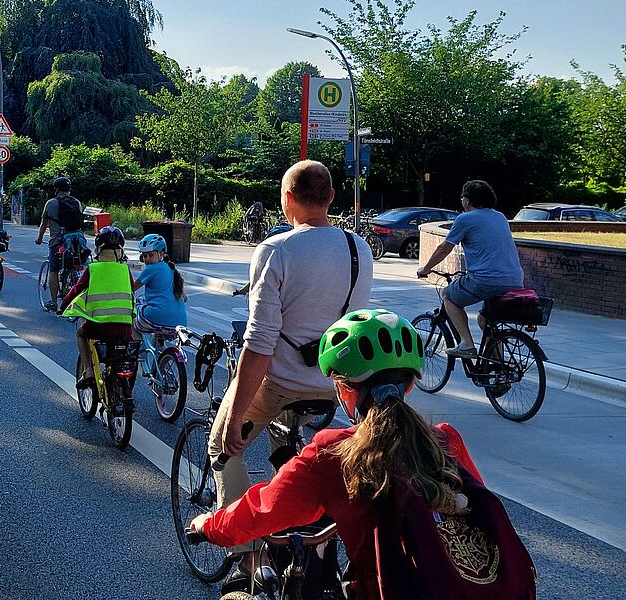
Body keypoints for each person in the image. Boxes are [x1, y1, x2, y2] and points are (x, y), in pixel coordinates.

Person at [191, 309, 533, 599]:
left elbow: (262, 510)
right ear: (410, 384)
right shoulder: (445, 440)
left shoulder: (334, 453)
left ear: (343, 389)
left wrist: (210, 527)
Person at [207, 160, 372, 586]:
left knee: (222, 449)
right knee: (292, 447)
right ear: (332, 198)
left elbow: (259, 343)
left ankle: (248, 557)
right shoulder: (359, 249)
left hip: (280, 384)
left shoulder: (275, 250)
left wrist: (234, 421)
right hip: (334, 386)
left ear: (286, 200)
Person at [416, 180, 524, 358]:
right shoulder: (500, 217)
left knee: (448, 295)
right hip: (514, 280)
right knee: (484, 320)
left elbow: (444, 247)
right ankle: (498, 367)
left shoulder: (465, 219)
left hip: (485, 279)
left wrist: (426, 268)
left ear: (467, 200)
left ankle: (467, 344)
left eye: (462, 197)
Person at [61, 227, 137, 387]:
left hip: (99, 325)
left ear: (98, 250)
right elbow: (131, 293)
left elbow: (76, 289)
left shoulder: (93, 269)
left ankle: (88, 370)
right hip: (124, 326)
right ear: (121, 252)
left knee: (81, 333)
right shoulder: (125, 269)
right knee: (124, 354)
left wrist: (63, 306)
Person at [35, 176, 87, 312]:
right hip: (76, 240)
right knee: (76, 265)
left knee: (53, 270)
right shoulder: (77, 202)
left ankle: (53, 302)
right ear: (69, 189)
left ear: (56, 189)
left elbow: (44, 224)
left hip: (58, 242)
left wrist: (39, 238)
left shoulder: (51, 203)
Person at [131, 233, 187, 341]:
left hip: (157, 316)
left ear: (161, 254)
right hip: (180, 322)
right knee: (158, 330)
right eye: (144, 256)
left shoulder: (151, 269)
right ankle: (161, 352)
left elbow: (132, 287)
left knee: (133, 314)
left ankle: (138, 348)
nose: (147, 259)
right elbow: (185, 298)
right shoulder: (172, 269)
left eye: (151, 255)